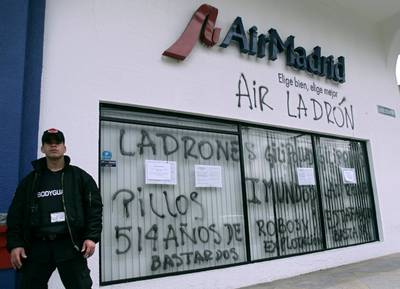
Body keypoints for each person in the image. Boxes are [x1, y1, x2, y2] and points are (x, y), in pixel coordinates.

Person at [6, 128, 103, 289]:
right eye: (48, 143)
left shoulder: (80, 177)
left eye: (57, 142)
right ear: (43, 148)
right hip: (37, 247)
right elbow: (15, 214)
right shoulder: (29, 182)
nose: (53, 146)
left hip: (70, 245)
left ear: (64, 147)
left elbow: (94, 209)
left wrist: (91, 237)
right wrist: (16, 243)